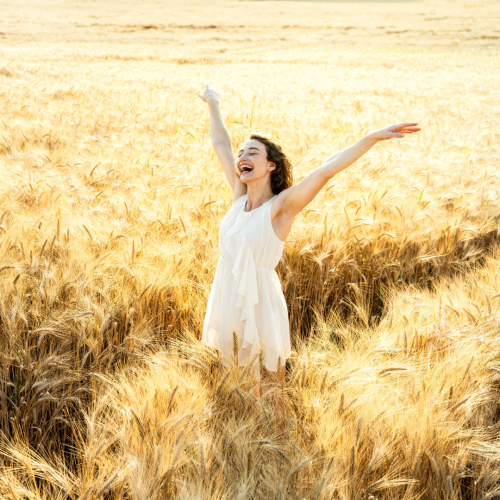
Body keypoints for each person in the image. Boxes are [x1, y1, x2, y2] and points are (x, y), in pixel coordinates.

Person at [198, 84, 420, 398]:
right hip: (226, 293)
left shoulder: (281, 207)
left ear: (270, 165)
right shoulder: (238, 198)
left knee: (270, 388)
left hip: (259, 300)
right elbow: (221, 142)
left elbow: (324, 171)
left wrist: (372, 136)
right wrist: (213, 102)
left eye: (252, 152)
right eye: (241, 153)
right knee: (235, 384)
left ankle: (278, 438)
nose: (241, 157)